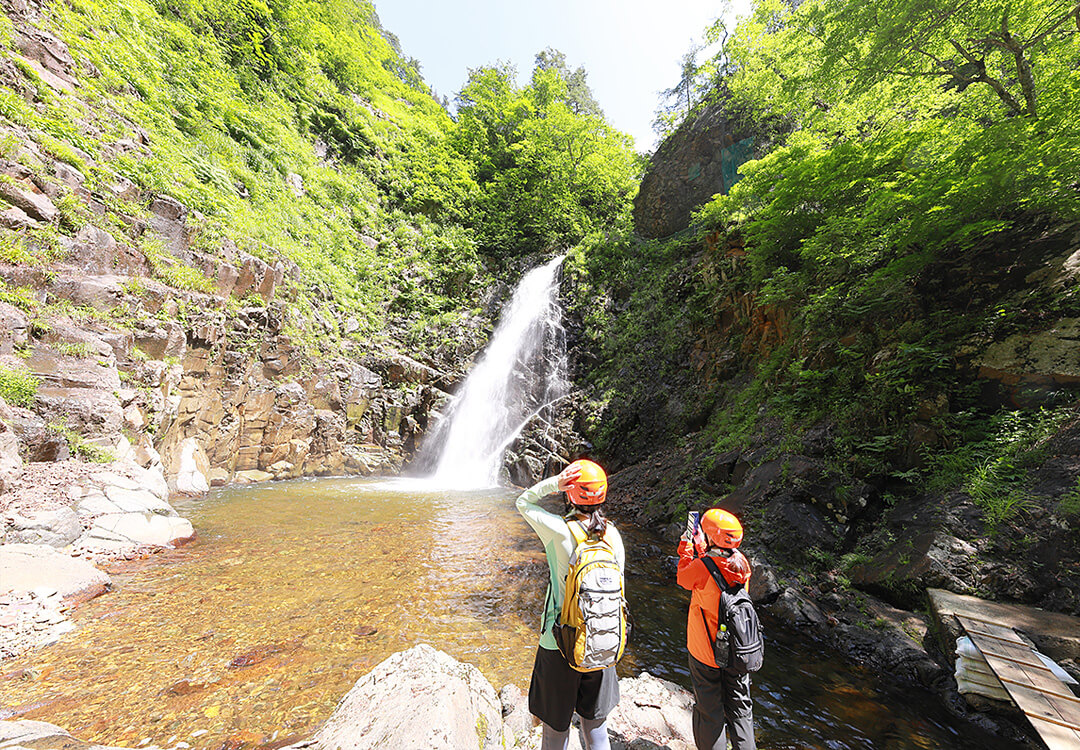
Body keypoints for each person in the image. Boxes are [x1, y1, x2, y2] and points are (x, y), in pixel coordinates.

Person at [516, 459, 625, 750]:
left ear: (570, 493)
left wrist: (554, 483)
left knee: (555, 730)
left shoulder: (557, 530)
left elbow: (523, 502)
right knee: (595, 728)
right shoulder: (614, 536)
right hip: (602, 642)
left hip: (558, 644)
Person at [677, 508, 756, 750]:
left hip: (706, 652)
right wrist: (704, 548)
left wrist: (687, 548)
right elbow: (715, 570)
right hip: (737, 650)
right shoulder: (742, 564)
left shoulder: (702, 567)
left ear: (711, 536)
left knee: (710, 711)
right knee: (741, 709)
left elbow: (684, 577)